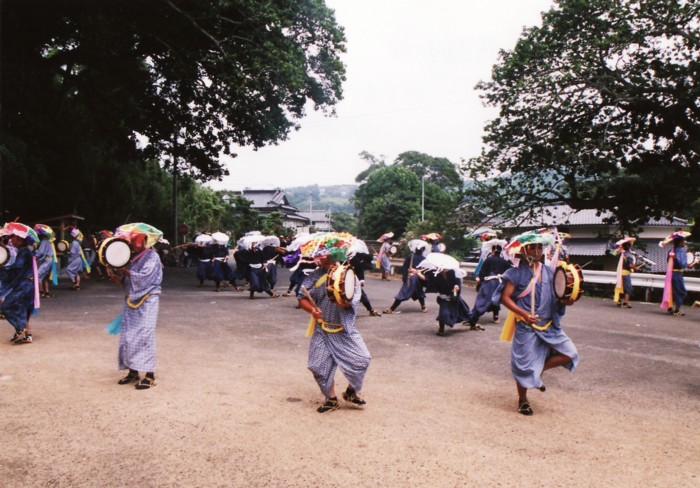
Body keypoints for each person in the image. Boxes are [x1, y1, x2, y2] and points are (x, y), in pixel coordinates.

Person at [496, 230, 579, 416]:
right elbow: (505, 298)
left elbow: (558, 297)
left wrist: (566, 300)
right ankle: (523, 400)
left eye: (539, 246)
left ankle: (537, 372)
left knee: (569, 353)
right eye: (532, 247)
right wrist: (523, 313)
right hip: (526, 326)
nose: (537, 250)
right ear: (524, 250)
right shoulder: (514, 273)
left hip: (549, 325)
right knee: (523, 365)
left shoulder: (551, 271)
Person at [297, 233, 371, 413]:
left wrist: (342, 299)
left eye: (324, 256)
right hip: (322, 328)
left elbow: (350, 302)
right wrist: (312, 310)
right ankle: (331, 399)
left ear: (336, 255)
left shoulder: (349, 276)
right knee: (317, 366)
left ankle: (351, 392)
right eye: (320, 256)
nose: (320, 259)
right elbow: (301, 297)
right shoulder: (314, 276)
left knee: (362, 360)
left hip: (344, 329)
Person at [108, 225, 163, 390]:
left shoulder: (153, 256)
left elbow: (144, 279)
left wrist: (126, 273)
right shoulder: (133, 257)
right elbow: (129, 282)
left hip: (148, 301)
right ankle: (132, 372)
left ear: (145, 239)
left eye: (135, 239)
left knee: (145, 335)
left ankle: (149, 375)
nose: (132, 242)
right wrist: (118, 277)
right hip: (132, 299)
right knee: (129, 335)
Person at [0, 224, 38, 344]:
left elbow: (17, 267)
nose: (11, 239)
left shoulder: (23, 251)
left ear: (20, 238)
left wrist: (4, 268)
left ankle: (20, 328)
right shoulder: (26, 250)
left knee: (6, 306)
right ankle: (27, 335)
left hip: (24, 285)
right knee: (23, 309)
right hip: (28, 284)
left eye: (13, 237)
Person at [413, 265, 471, 336]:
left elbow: (457, 285)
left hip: (454, 297)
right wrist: (418, 273)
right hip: (443, 298)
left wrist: (455, 293)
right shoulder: (436, 274)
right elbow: (427, 279)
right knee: (443, 313)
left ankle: (472, 322)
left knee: (464, 311)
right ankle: (441, 329)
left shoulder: (454, 273)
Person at [467, 244, 512, 327]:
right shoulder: (504, 261)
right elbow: (510, 271)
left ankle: (473, 318)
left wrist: (481, 279)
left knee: (483, 299)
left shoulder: (489, 260)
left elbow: (482, 272)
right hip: (499, 283)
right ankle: (495, 317)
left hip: (490, 282)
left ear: (493, 250)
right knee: (496, 299)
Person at [383, 243, 428, 314]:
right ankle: (423, 307)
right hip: (419, 278)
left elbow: (404, 268)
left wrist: (404, 277)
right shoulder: (424, 259)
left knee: (403, 292)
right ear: (422, 249)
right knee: (419, 292)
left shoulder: (410, 256)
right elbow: (425, 271)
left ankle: (392, 308)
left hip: (411, 278)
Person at [660, 231, 690, 317]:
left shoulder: (671, 250)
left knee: (671, 290)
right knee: (681, 291)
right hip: (677, 273)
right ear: (680, 242)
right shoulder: (681, 251)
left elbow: (668, 261)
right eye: (683, 241)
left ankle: (670, 308)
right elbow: (682, 264)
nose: (684, 242)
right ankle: (677, 309)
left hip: (670, 273)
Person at [612, 237, 643, 309]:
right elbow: (630, 265)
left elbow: (612, 252)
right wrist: (636, 268)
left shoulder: (621, 254)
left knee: (619, 286)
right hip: (626, 273)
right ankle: (625, 302)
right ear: (629, 247)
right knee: (627, 288)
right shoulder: (629, 255)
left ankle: (618, 301)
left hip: (620, 273)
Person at [34, 224, 57, 298]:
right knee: (45, 277)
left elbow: (41, 253)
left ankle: (40, 292)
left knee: (38, 276)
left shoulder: (44, 241)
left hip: (47, 261)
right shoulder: (48, 241)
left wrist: (36, 255)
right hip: (50, 261)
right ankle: (46, 292)